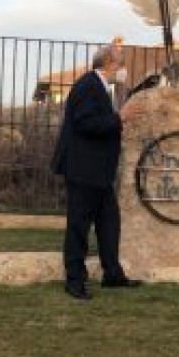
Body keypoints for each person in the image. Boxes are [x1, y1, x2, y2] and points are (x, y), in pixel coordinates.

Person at [51, 43, 142, 300]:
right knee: (79, 226)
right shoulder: (88, 85)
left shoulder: (100, 86)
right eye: (120, 63)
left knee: (109, 223)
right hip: (83, 170)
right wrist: (119, 118)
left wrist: (116, 121)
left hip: (99, 172)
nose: (122, 69)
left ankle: (112, 274)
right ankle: (74, 281)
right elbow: (85, 123)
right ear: (109, 64)